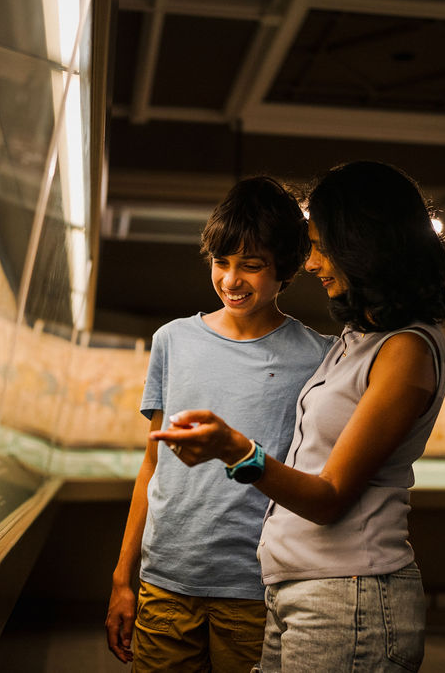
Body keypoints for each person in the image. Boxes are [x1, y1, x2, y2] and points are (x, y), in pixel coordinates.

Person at [151, 160, 445, 672]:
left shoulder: (406, 350)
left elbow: (331, 497)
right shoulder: (360, 340)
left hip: (350, 600)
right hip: (304, 594)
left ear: (363, 244)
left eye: (320, 246)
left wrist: (236, 450)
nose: (311, 263)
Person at [105, 176, 333, 671]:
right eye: (221, 262)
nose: (232, 280)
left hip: (259, 587)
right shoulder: (172, 340)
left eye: (251, 266)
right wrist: (124, 579)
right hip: (165, 581)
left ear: (286, 270)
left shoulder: (318, 357)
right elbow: (152, 465)